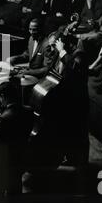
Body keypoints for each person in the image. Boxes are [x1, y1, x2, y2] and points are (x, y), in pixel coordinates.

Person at [25, 32, 89, 171]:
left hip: (77, 101)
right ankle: (67, 157)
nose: (52, 49)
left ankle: (81, 163)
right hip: (65, 98)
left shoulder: (79, 55)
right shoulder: (59, 53)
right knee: (66, 131)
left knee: (79, 132)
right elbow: (52, 71)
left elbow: (74, 68)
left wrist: (62, 51)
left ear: (65, 44)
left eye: (54, 45)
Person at [0, 80, 33, 196]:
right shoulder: (28, 111)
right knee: (15, 190)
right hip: (20, 157)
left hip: (3, 161)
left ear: (3, 96)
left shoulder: (4, 119)